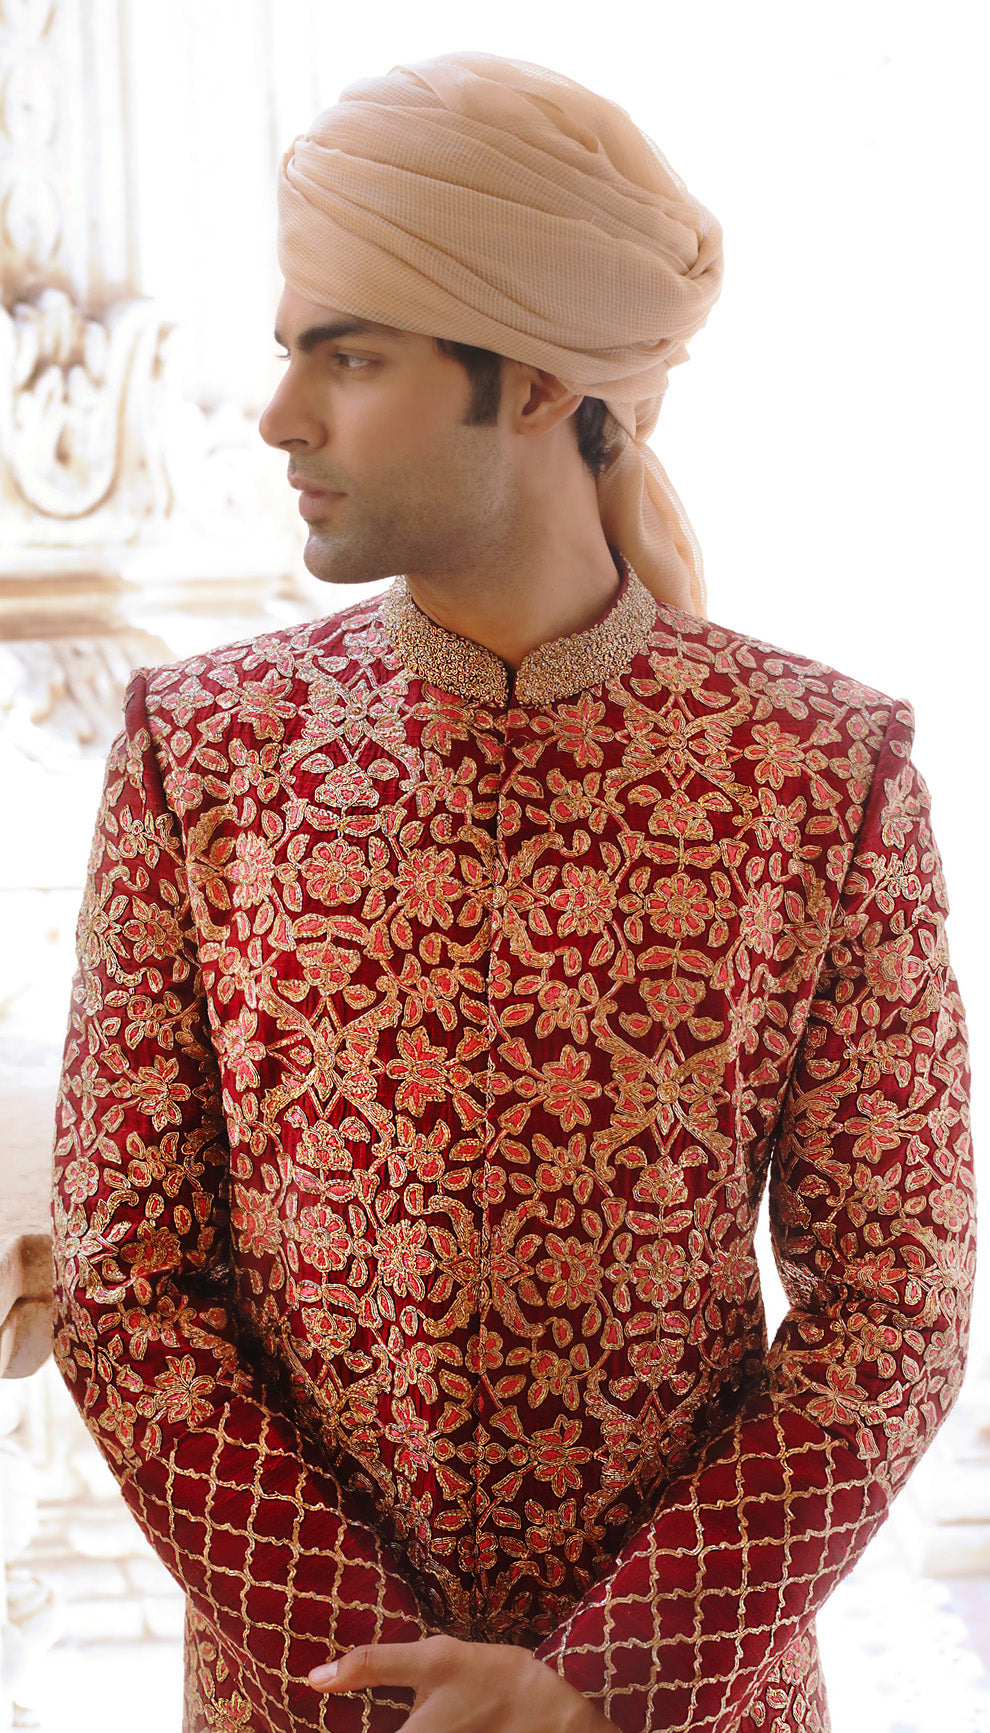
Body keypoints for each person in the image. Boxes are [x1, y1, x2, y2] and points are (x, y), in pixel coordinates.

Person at [51, 52, 974, 1733]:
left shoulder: (818, 772)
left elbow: (891, 1309)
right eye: (292, 355)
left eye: (352, 357)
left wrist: (598, 1688)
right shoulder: (203, 752)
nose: (281, 417)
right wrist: (396, 1690)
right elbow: (128, 1283)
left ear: (540, 383)